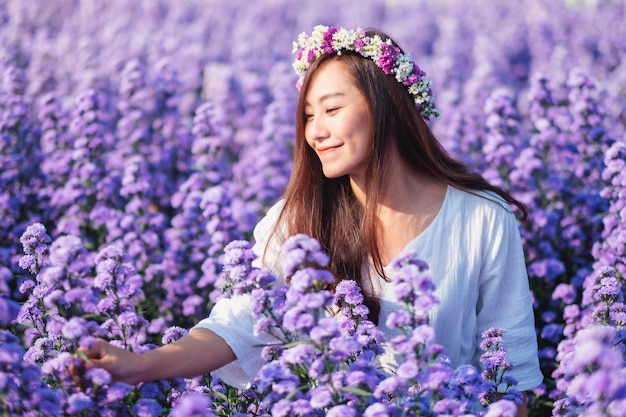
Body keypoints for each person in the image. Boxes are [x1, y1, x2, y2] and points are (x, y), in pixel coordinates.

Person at [82, 25, 543, 415]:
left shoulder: (483, 220)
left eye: (332, 109)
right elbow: (238, 323)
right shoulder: (296, 218)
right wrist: (137, 365)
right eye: (307, 115)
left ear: (386, 105)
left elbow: (513, 378)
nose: (315, 131)